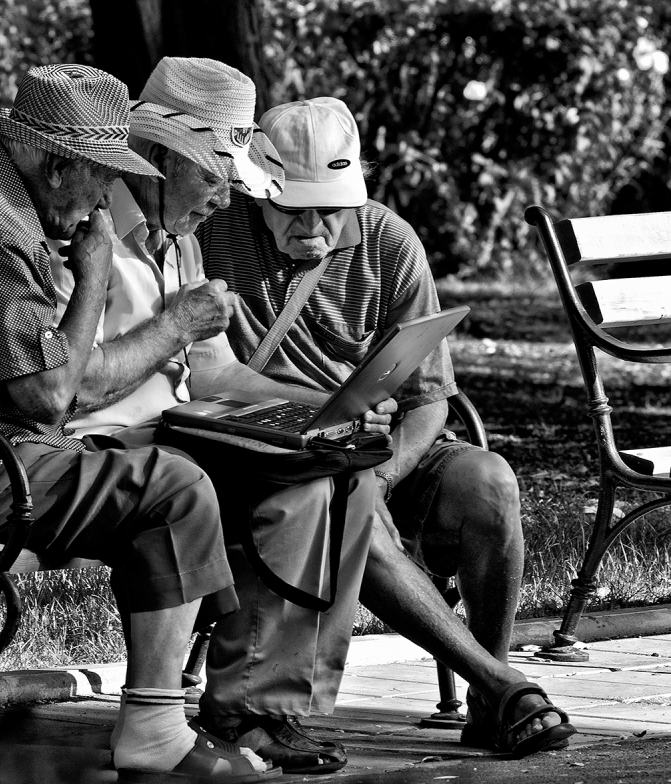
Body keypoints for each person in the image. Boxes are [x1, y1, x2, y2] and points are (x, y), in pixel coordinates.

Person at [0, 63, 279, 783]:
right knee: (175, 487)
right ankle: (158, 728)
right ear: (56, 165)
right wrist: (98, 269)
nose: (106, 199)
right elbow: (48, 396)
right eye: (102, 178)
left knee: (179, 481)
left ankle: (172, 710)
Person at [195, 97, 577, 757]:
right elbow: (200, 374)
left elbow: (429, 399)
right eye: (293, 209)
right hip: (267, 456)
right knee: (349, 503)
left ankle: (491, 703)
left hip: (373, 446)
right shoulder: (210, 230)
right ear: (258, 192)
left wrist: (386, 471)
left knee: (490, 484)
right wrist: (359, 478)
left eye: (330, 210)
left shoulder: (389, 242)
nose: (313, 227)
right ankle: (502, 686)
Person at [46, 57, 395, 775]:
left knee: (339, 470)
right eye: (215, 176)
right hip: (105, 446)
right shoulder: (86, 228)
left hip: (180, 433)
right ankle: (243, 708)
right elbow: (66, 387)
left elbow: (214, 373)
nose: (224, 198)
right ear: (161, 158)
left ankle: (264, 705)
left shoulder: (181, 238)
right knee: (297, 486)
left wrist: (331, 406)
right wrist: (174, 326)